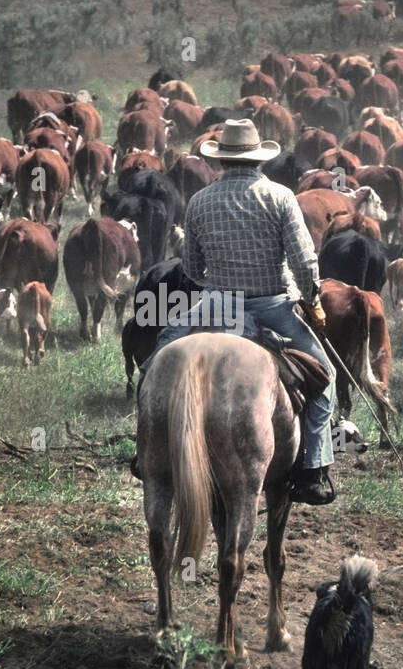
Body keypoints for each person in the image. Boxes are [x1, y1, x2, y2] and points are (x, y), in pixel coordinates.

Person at [136, 119, 339, 505]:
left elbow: (192, 269)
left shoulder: (200, 201)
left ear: (223, 160)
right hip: (274, 305)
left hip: (217, 305)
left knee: (157, 357)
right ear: (258, 159)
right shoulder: (280, 197)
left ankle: (146, 449)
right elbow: (303, 261)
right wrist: (311, 300)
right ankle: (313, 468)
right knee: (323, 376)